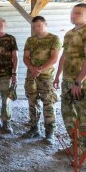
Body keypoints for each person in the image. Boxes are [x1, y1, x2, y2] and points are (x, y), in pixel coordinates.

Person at [53, 3, 86, 168]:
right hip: (67, 81)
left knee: (85, 118)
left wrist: (79, 81)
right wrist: (58, 76)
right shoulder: (70, 34)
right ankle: (76, 145)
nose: (74, 16)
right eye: (73, 13)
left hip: (83, 83)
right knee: (68, 115)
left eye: (78, 13)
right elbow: (64, 55)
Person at [22, 16, 60, 145]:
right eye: (34, 26)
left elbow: (54, 58)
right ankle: (34, 129)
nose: (36, 29)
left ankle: (49, 133)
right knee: (32, 103)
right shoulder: (30, 40)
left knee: (48, 104)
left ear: (46, 24)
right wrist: (33, 69)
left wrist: (40, 69)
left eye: (39, 25)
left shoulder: (54, 39)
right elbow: (26, 57)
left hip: (46, 78)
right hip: (32, 77)